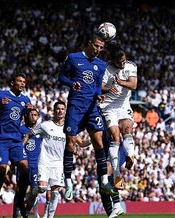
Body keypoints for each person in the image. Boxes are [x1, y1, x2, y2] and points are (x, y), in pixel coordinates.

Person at [58, 33, 113, 201]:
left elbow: (97, 87)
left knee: (98, 141)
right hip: (75, 106)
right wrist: (71, 84)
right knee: (71, 143)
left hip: (92, 108)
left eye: (101, 48)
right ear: (89, 43)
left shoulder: (101, 65)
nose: (98, 50)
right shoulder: (74, 58)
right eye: (96, 46)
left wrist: (99, 95)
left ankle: (104, 180)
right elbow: (61, 77)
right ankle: (68, 182)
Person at [0, 72, 33, 217]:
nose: (23, 84)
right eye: (20, 81)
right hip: (2, 139)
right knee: (1, 168)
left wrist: (30, 112)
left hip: (16, 140)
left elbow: (29, 123)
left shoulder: (25, 100)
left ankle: (19, 201)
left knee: (25, 167)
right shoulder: (2, 95)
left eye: (24, 81)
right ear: (12, 83)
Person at [100, 44, 137, 190]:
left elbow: (133, 85)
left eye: (123, 61)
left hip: (124, 105)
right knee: (115, 137)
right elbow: (100, 86)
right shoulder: (106, 69)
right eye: (119, 62)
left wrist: (121, 82)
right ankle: (116, 174)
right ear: (113, 61)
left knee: (127, 130)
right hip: (108, 107)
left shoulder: (131, 66)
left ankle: (130, 156)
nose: (122, 64)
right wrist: (109, 88)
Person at [25, 101, 66, 218]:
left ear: (65, 111)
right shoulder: (45, 125)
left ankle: (50, 216)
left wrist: (92, 141)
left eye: (62, 109)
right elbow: (30, 133)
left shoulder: (68, 127)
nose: (60, 111)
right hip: (44, 161)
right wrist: (21, 148)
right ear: (54, 110)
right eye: (58, 108)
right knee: (42, 188)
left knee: (55, 193)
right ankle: (31, 196)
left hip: (58, 163)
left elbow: (78, 142)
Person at [20, 108, 42, 217]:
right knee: (21, 191)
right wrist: (27, 136)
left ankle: (32, 212)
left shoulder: (41, 130)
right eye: (32, 115)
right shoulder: (21, 129)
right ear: (27, 116)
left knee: (35, 189)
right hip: (23, 164)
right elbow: (18, 147)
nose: (34, 117)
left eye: (36, 115)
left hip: (35, 165)